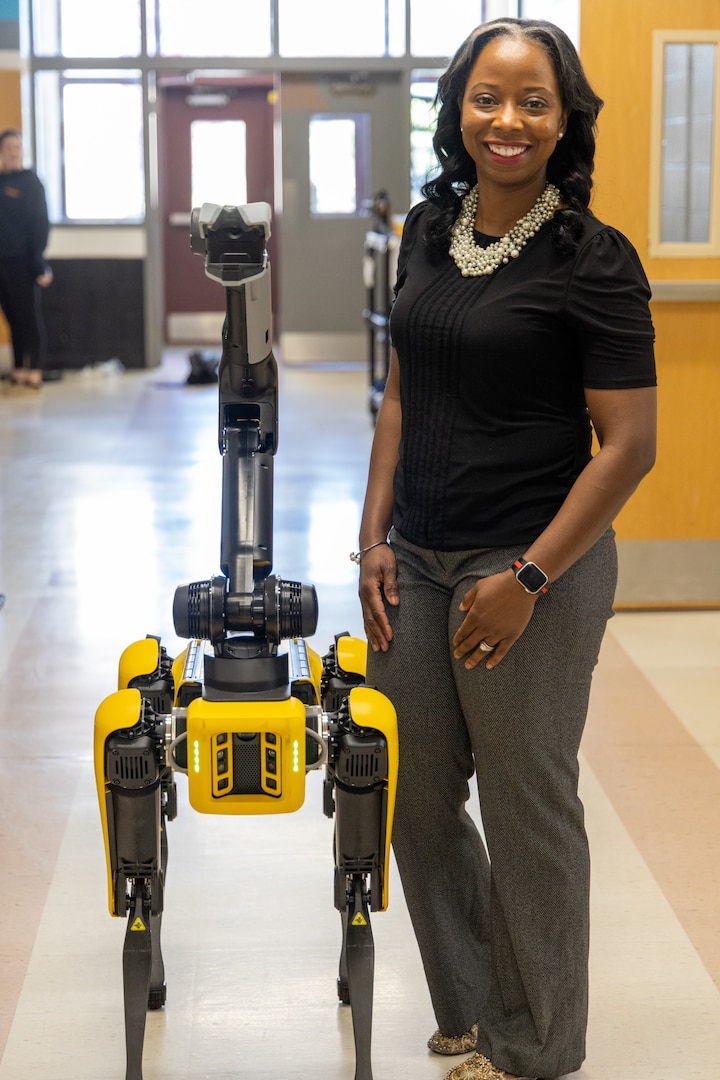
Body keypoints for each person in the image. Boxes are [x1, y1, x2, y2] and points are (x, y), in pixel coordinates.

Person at [355, 18, 656, 1080]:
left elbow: (629, 448)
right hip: (421, 560)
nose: (508, 121)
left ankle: (536, 1048)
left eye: (534, 101)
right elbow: (403, 393)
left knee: (527, 804)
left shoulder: (593, 258)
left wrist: (527, 579)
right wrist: (372, 540)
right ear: (458, 109)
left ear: (564, 118)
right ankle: (477, 1005)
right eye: (489, 97)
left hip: (534, 567)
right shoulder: (430, 233)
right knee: (411, 792)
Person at [0, 128, 53, 389]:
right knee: (12, 317)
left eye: (16, 147)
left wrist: (38, 262)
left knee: (29, 316)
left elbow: (39, 225)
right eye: (7, 148)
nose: (12, 152)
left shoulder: (31, 183)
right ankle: (19, 366)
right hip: (2, 262)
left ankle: (35, 369)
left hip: (24, 261)